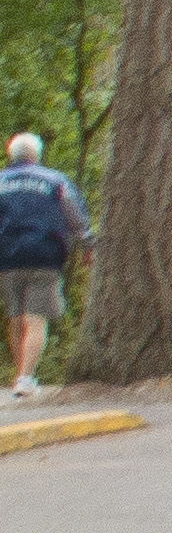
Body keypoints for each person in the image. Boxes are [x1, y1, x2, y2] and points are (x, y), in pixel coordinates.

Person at [0, 131, 91, 397]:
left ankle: (21, 376)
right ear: (36, 155)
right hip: (45, 255)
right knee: (36, 318)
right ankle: (26, 379)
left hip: (7, 257)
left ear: (11, 155)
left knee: (16, 316)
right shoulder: (55, 180)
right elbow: (75, 217)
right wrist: (88, 245)